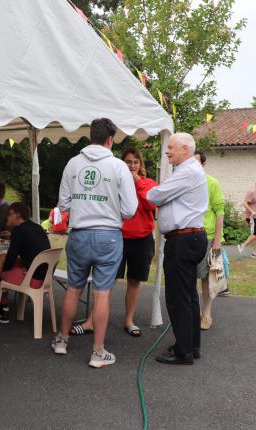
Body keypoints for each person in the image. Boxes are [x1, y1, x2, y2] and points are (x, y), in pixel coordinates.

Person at [52, 118, 138, 368]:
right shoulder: (119, 166)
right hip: (108, 236)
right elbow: (131, 209)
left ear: (91, 136)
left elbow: (63, 204)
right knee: (102, 294)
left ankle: (61, 340)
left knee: (73, 289)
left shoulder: (72, 163)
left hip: (78, 234)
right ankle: (98, 353)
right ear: (110, 139)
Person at [70, 148, 157, 338]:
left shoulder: (148, 183)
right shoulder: (116, 181)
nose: (132, 166)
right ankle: (91, 322)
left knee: (134, 281)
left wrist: (139, 183)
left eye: (135, 162)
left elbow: (152, 205)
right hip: (117, 236)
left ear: (141, 165)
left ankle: (129, 321)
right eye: (128, 162)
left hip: (142, 239)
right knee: (107, 282)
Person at [147, 133, 208, 365]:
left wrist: (146, 188)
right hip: (189, 238)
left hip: (183, 240)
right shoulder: (188, 171)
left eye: (171, 147)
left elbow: (156, 195)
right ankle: (191, 345)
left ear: (185, 148)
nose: (167, 151)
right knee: (189, 295)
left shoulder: (188, 172)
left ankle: (183, 352)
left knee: (178, 297)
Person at [0, 202, 51, 324]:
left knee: (2, 263)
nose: (7, 217)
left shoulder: (19, 231)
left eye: (9, 214)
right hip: (44, 277)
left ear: (18, 215)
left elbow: (9, 262)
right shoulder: (36, 227)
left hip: (32, 278)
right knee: (1, 261)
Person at [194, 150, 227, 327]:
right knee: (191, 277)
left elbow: (220, 211)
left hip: (208, 237)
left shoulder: (211, 183)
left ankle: (206, 313)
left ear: (203, 165)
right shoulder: (186, 182)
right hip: (190, 237)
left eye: (197, 162)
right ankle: (195, 312)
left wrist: (216, 240)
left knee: (207, 278)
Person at [238, 182, 256, 258]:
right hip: (252, 217)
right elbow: (244, 203)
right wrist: (252, 212)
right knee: (255, 234)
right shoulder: (251, 192)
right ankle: (243, 246)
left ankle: (254, 253)